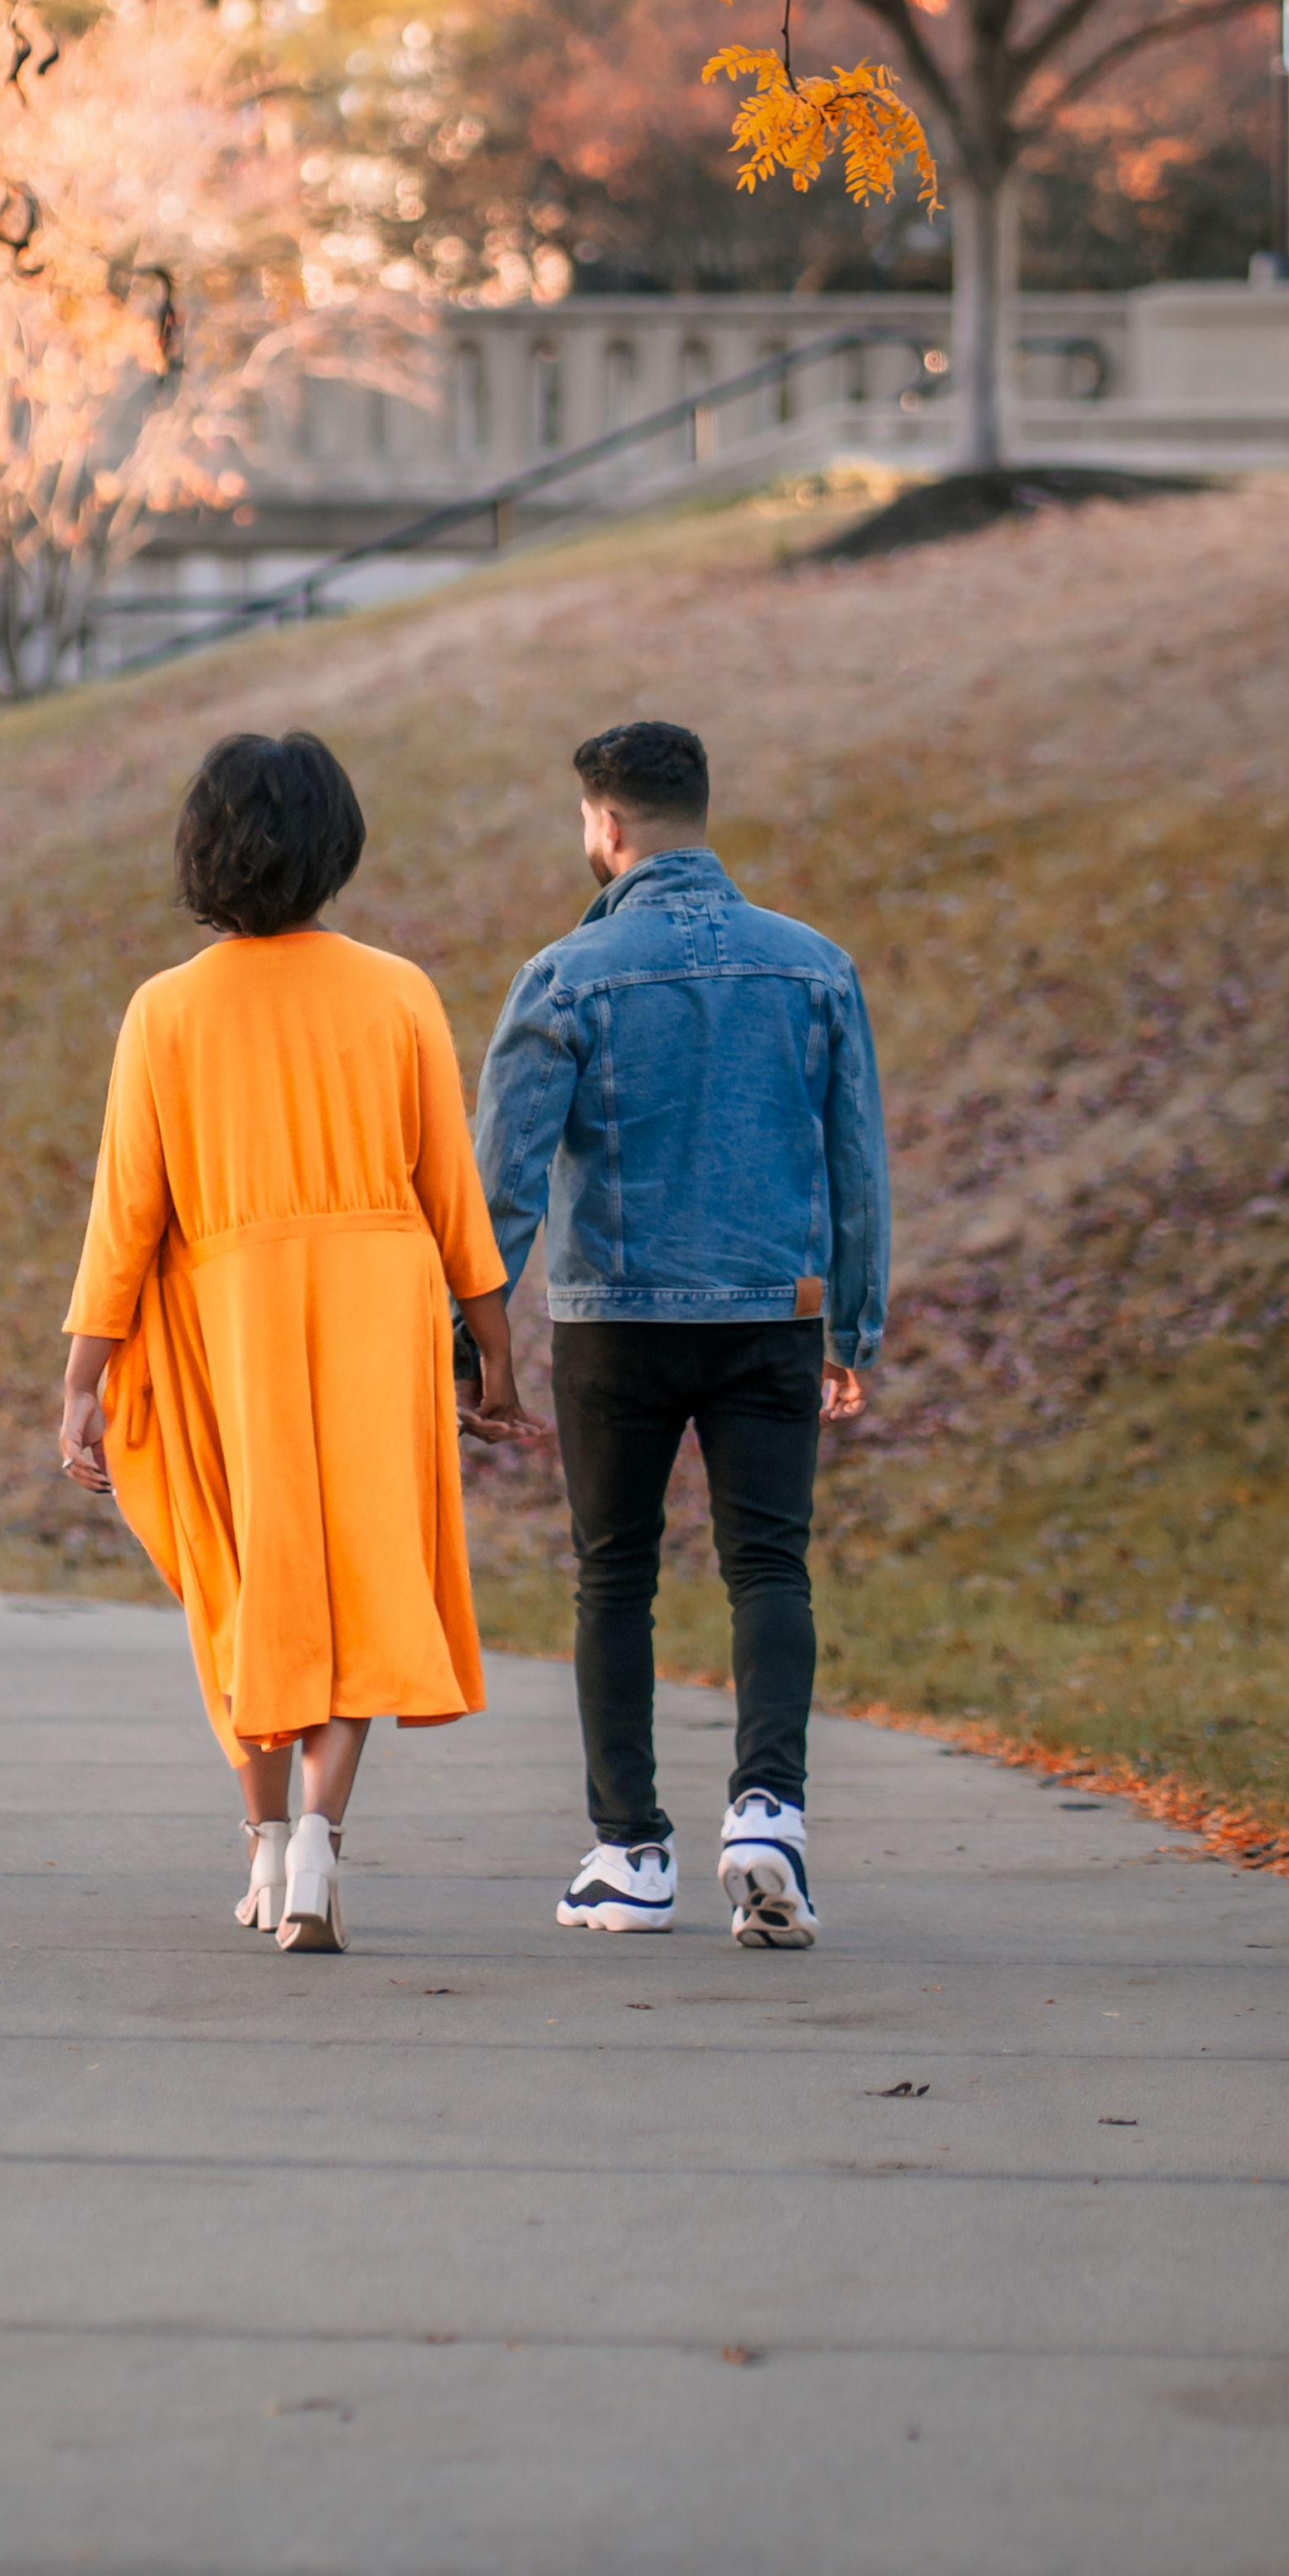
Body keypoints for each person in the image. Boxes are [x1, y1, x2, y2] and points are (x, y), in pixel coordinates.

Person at [59, 729, 540, 1953]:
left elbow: (126, 1213)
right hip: (380, 1302)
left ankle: (268, 1847)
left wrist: (81, 1380)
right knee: (360, 1569)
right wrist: (493, 1360)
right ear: (335, 846)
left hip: (231, 1313)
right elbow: (454, 1198)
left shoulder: (165, 1009)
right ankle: (321, 1843)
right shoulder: (397, 990)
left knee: (248, 1573)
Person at [471, 719, 889, 1948]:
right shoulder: (814, 966)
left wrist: (474, 1345)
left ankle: (630, 1854)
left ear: (603, 825)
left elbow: (503, 1179)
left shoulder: (562, 976)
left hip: (615, 1323)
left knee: (616, 1575)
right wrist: (850, 1328)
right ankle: (768, 1815)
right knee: (769, 1565)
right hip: (772, 1316)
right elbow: (854, 1165)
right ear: (698, 810)